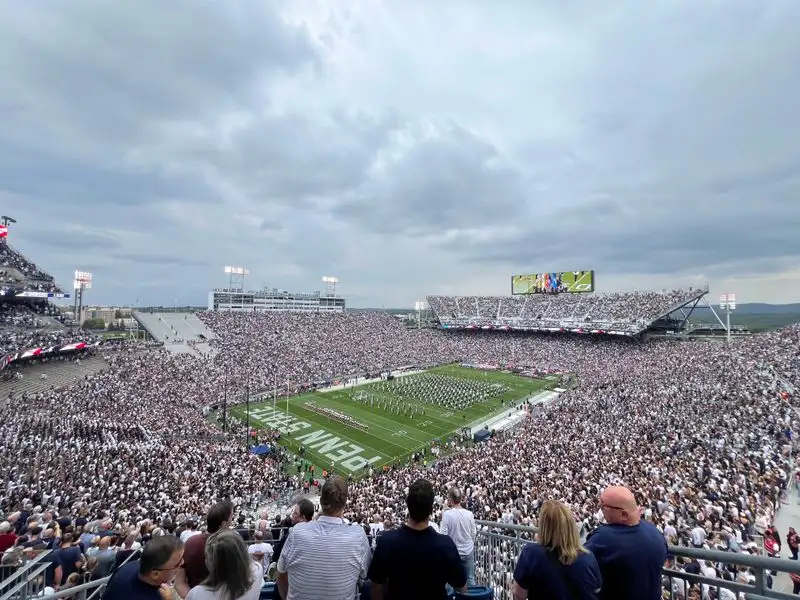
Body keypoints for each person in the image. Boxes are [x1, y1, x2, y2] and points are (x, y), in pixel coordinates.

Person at [368, 478, 467, 600]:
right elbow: (462, 587)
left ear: (408, 505)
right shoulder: (445, 545)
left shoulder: (386, 541)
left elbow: (376, 588)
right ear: (431, 510)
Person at [277, 475, 371, 600]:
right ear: (344, 504)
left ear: (321, 501)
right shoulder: (358, 535)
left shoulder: (297, 531)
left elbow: (281, 575)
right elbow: (366, 575)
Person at [585, 486, 667, 600]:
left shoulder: (603, 538)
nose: (600, 509)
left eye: (603, 506)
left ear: (623, 514)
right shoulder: (656, 533)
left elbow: (578, 563)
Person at [512, 500, 601, 600]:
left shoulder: (531, 553)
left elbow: (518, 594)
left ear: (544, 527)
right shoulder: (589, 557)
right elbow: (596, 590)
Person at [175, 500, 234, 598]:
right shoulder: (232, 545)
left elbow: (179, 583)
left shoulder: (190, 542)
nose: (232, 519)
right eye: (232, 516)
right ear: (223, 524)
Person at [186, 529, 263, 600]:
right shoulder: (257, 570)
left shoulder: (196, 595)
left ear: (216, 565)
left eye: (207, 556)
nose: (205, 560)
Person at [102, 535, 184, 600]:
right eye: (178, 563)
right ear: (155, 574)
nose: (183, 562)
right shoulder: (158, 597)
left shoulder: (128, 567)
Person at [440, 486, 477, 586]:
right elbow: (473, 532)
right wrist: (469, 544)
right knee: (470, 579)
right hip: (468, 550)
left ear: (450, 499)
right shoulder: (469, 514)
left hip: (453, 553)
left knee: (451, 582)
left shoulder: (447, 515)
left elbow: (443, 535)